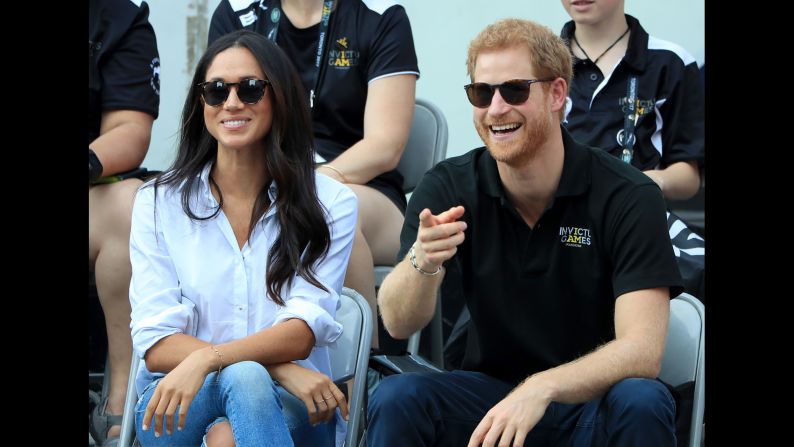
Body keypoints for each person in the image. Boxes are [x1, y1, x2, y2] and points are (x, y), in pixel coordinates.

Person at [368, 18, 683, 447]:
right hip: (490, 403)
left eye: (514, 90)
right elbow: (398, 321)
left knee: (644, 400)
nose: (496, 108)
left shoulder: (628, 195)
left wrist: (541, 387)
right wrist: (422, 263)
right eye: (482, 93)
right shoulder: (449, 185)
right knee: (397, 397)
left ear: (557, 94)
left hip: (592, 404)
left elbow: (642, 351)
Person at [129, 30, 358, 447]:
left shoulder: (331, 202)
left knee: (228, 431)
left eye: (251, 89)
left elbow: (301, 331)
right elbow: (156, 342)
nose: (231, 102)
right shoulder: (157, 202)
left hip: (294, 404)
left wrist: (210, 358)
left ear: (280, 97)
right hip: (175, 402)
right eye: (216, 91)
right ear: (202, 103)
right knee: (247, 375)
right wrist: (278, 366)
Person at [208, 0, 419, 348]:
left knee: (329, 209)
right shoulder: (238, 11)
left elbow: (385, 145)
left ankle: (359, 380)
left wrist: (307, 184)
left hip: (359, 185)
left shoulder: (379, 14)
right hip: (258, 180)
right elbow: (218, 110)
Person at [89, 0, 159, 445]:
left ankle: (120, 399)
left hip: (92, 190)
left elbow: (129, 130)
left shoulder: (118, 15)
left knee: (133, 204)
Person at [559, 0, 704, 201]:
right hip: (555, 220)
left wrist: (645, 182)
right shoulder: (539, 62)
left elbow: (689, 176)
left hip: (635, 217)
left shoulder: (672, 62)